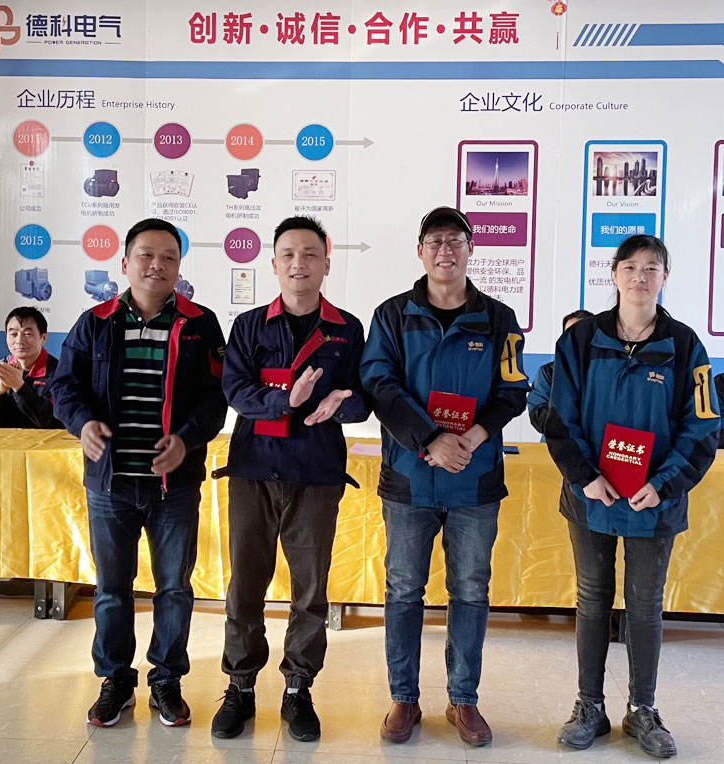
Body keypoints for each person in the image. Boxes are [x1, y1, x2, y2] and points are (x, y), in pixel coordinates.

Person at [545, 234, 719, 759]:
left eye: (651, 268)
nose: (640, 277)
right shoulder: (580, 340)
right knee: (592, 599)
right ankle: (589, 706)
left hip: (654, 500)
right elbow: (560, 417)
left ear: (665, 278)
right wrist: (585, 476)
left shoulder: (685, 345)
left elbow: (703, 426)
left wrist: (663, 483)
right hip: (591, 495)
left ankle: (643, 709)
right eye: (631, 267)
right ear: (614, 274)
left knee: (644, 605)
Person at [360, 206, 529, 745]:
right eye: (434, 241)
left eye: (455, 240)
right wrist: (430, 438)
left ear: (471, 249)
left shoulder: (499, 318)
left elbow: (513, 391)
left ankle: (464, 700)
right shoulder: (392, 315)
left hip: (473, 481)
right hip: (409, 477)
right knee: (404, 589)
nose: (445, 250)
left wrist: (471, 438)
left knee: (471, 590)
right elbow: (379, 385)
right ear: (420, 251)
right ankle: (403, 698)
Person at [52, 218, 227, 729]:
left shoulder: (200, 324)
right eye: (146, 255)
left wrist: (186, 438)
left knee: (174, 588)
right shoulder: (95, 321)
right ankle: (116, 681)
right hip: (111, 483)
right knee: (112, 588)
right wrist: (82, 423)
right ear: (125, 263)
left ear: (179, 266)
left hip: (174, 485)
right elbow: (64, 387)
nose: (157, 265)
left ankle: (167, 681)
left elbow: (215, 399)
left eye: (169, 257)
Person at [211, 215, 369, 743]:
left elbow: (363, 398)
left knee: (311, 590)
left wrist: (342, 402)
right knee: (244, 586)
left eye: (310, 254)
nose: (299, 264)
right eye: (288, 255)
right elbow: (235, 391)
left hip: (316, 474)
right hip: (254, 470)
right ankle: (240, 686)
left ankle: (298, 688)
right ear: (274, 263)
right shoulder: (249, 325)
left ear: (326, 263)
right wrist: (285, 400)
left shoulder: (347, 329)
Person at [0, 306, 62, 428]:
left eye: (27, 334)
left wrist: (19, 386)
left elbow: (51, 420)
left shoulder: (61, 372)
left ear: (43, 338)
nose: (19, 340)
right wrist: (0, 389)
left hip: (47, 439)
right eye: (13, 334)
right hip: (4, 439)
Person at [527, 310, 593, 435]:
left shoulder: (610, 372)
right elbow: (538, 415)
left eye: (580, 333)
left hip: (601, 445)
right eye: (569, 333)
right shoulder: (548, 372)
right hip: (558, 444)